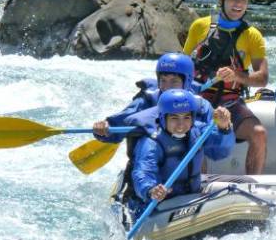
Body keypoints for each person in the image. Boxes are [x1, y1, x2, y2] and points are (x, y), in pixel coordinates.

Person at [92, 52, 217, 202]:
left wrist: (224, 128)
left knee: (197, 147)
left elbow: (216, 144)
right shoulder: (146, 100)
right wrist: (105, 129)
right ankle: (142, 192)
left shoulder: (201, 106)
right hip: (149, 168)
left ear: (187, 81)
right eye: (163, 80)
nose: (167, 87)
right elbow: (118, 124)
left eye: (174, 81)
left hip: (187, 176)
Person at [183, 0, 268, 174]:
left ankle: (251, 185)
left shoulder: (253, 36)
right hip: (200, 100)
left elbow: (262, 78)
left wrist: (237, 75)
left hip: (231, 103)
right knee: (194, 136)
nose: (238, 4)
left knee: (259, 133)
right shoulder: (200, 26)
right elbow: (183, 67)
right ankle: (198, 185)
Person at [132, 89, 235, 214]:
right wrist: (151, 190)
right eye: (174, 118)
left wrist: (224, 128)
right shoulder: (151, 143)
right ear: (163, 118)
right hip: (163, 203)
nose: (181, 125)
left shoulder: (198, 131)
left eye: (186, 117)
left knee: (242, 186)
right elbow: (143, 172)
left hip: (193, 193)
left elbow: (221, 152)